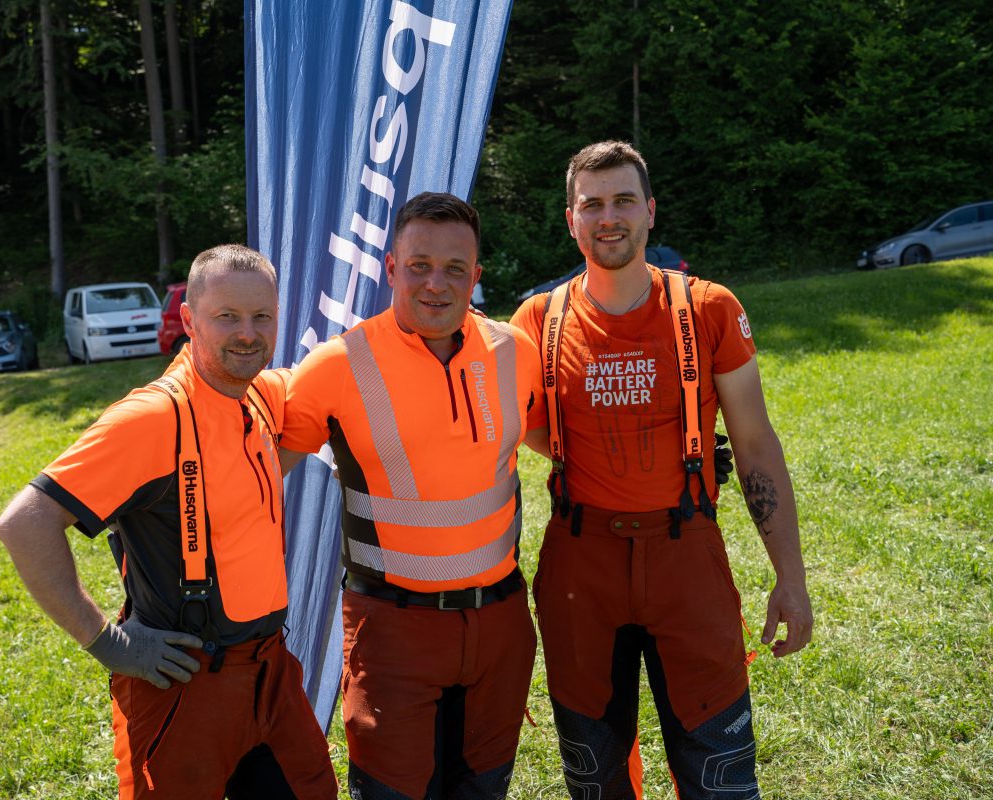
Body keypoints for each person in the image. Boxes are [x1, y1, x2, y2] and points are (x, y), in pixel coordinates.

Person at [511, 140, 814, 800]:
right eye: (592, 204)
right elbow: (515, 427)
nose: (608, 218)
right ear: (570, 219)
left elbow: (755, 445)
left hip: (686, 556)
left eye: (624, 201)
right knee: (594, 771)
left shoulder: (708, 308)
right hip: (580, 564)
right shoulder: (537, 319)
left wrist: (790, 578)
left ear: (650, 211)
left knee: (719, 768)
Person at [0, 245, 337, 800]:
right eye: (227, 316)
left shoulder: (262, 395)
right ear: (189, 320)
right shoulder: (153, 418)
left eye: (262, 316)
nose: (247, 333)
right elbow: (23, 524)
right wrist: (107, 643)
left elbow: (339, 374)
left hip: (271, 672)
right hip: (184, 682)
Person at [278, 192, 547, 799]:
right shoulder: (335, 366)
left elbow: (564, 444)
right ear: (391, 268)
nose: (436, 283)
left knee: (483, 790)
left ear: (476, 276)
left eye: (455, 269)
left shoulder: (516, 351)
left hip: (499, 625)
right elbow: (258, 474)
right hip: (392, 630)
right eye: (419, 266)